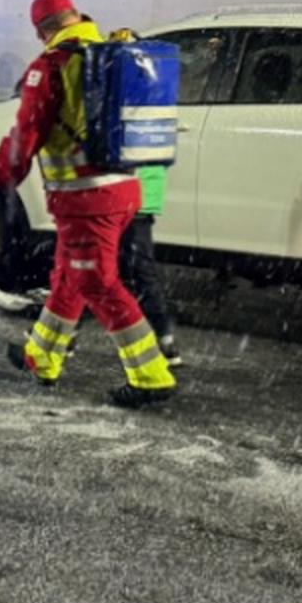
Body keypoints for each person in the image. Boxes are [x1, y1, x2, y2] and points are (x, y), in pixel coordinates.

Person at [0, 0, 176, 409]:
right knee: (70, 276)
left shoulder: (54, 66)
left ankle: (151, 375)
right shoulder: (111, 55)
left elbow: (26, 135)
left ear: (41, 30)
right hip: (125, 188)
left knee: (97, 281)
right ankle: (41, 357)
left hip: (87, 199)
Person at [108, 28, 180, 367]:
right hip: (145, 194)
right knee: (138, 269)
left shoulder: (120, 97)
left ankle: (62, 340)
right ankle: (165, 340)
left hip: (122, 193)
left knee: (90, 266)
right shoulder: (158, 96)